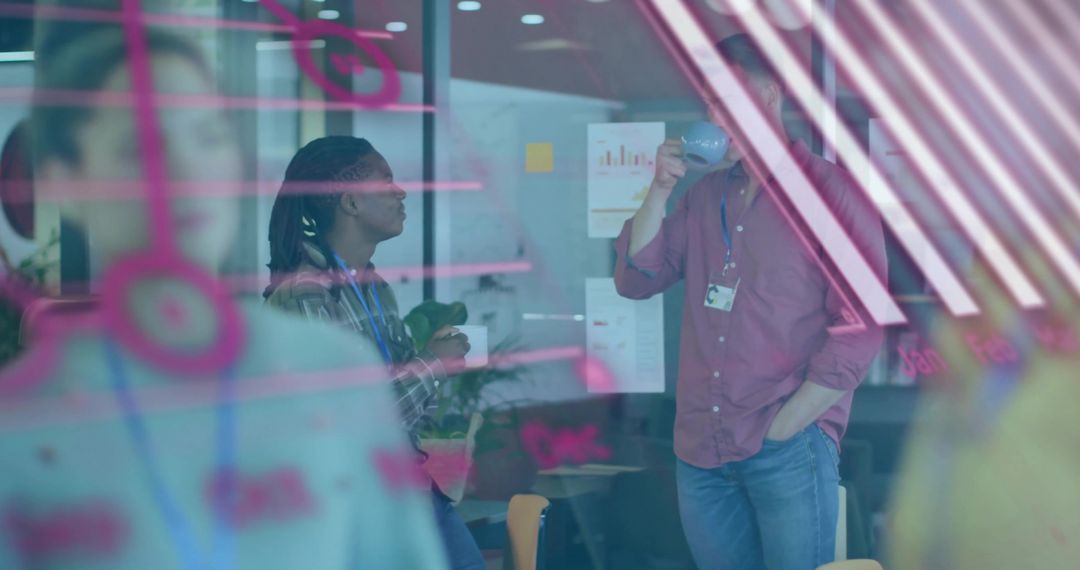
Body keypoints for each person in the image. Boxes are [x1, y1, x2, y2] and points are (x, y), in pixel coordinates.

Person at [0, 26, 446, 569]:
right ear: (64, 182)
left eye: (209, 136)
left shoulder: (329, 363)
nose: (189, 170)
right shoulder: (24, 427)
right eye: (142, 145)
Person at [613, 34, 886, 570]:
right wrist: (660, 189)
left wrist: (789, 426)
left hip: (785, 444)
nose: (715, 116)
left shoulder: (832, 195)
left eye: (727, 100)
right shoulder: (702, 196)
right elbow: (635, 279)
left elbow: (861, 326)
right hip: (700, 450)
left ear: (770, 95)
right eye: (710, 104)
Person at [263, 136, 483, 569]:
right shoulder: (302, 295)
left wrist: (434, 366)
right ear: (350, 202)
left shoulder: (374, 288)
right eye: (386, 182)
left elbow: (409, 414)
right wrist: (431, 364)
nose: (401, 192)